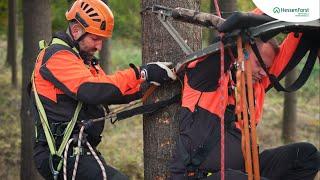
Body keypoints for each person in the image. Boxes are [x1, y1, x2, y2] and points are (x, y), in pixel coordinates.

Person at [31, 0, 176, 179]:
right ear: (76, 31)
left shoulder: (82, 61)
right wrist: (142, 73)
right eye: (95, 38)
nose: (99, 46)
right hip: (61, 154)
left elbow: (110, 91)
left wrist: (150, 82)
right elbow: (92, 90)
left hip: (79, 151)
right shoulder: (56, 57)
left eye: (102, 40)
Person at [169, 11, 320, 180]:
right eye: (259, 64)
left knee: (307, 155)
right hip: (199, 176)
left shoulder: (257, 85)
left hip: (244, 172)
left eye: (267, 68)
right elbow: (230, 38)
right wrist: (259, 19)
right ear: (243, 52)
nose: (264, 73)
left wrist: (303, 13)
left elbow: (293, 47)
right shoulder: (207, 77)